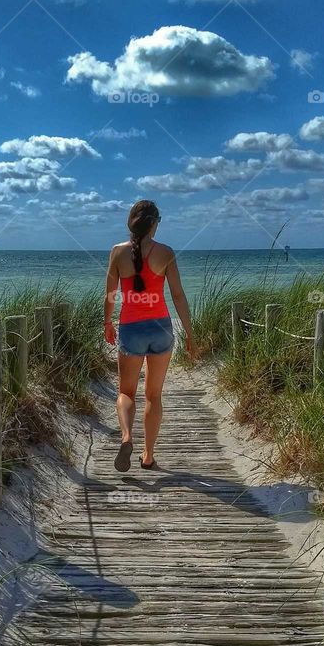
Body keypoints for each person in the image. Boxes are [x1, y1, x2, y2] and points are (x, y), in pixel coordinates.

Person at [103, 199, 195, 472]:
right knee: (154, 395)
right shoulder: (166, 252)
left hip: (131, 329)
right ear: (154, 224)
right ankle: (148, 456)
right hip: (161, 328)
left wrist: (107, 322)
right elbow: (178, 295)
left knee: (126, 392)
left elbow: (110, 295)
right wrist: (190, 333)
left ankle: (127, 437)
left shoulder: (117, 252)